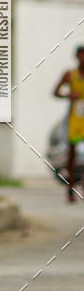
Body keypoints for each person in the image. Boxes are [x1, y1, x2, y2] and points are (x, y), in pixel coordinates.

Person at [53, 46, 84, 202]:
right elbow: (56, 92)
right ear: (77, 57)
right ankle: (70, 188)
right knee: (72, 154)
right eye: (81, 56)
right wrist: (69, 94)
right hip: (75, 118)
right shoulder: (70, 75)